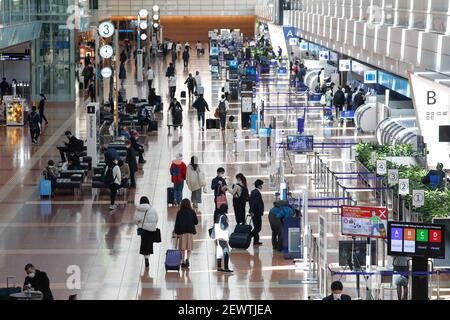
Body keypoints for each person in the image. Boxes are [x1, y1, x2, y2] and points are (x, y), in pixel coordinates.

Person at [135, 196, 159, 268]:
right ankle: (147, 257)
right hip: (151, 229)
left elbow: (135, 220)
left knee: (144, 242)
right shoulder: (152, 209)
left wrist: (139, 224)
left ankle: (145, 257)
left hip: (143, 229)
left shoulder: (138, 209)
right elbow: (156, 218)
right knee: (149, 243)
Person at [174, 199, 199, 268]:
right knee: (189, 247)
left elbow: (177, 223)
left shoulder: (179, 212)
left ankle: (182, 262)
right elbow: (196, 222)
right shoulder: (192, 212)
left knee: (182, 248)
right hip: (190, 232)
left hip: (182, 232)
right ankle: (187, 259)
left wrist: (176, 232)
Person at [214, 204, 233, 273]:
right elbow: (223, 226)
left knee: (219, 251)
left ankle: (219, 267)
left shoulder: (218, 216)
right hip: (222, 237)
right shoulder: (223, 217)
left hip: (217, 237)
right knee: (226, 251)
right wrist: (227, 224)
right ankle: (226, 268)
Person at [249, 179, 264, 246]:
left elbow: (251, 202)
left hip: (255, 212)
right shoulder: (256, 193)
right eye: (261, 185)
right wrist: (252, 211)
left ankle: (256, 241)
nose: (262, 187)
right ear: (259, 185)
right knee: (258, 228)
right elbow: (254, 203)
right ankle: (248, 236)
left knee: (256, 227)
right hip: (256, 213)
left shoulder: (253, 192)